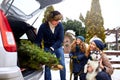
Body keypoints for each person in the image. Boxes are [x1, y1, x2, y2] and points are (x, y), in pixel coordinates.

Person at [34, 11, 66, 80]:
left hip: (57, 46)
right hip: (47, 47)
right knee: (47, 66)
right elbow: (38, 40)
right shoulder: (43, 27)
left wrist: (53, 47)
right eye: (56, 20)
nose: (58, 22)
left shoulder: (60, 25)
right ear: (50, 19)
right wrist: (36, 50)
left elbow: (60, 40)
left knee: (62, 63)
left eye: (59, 20)